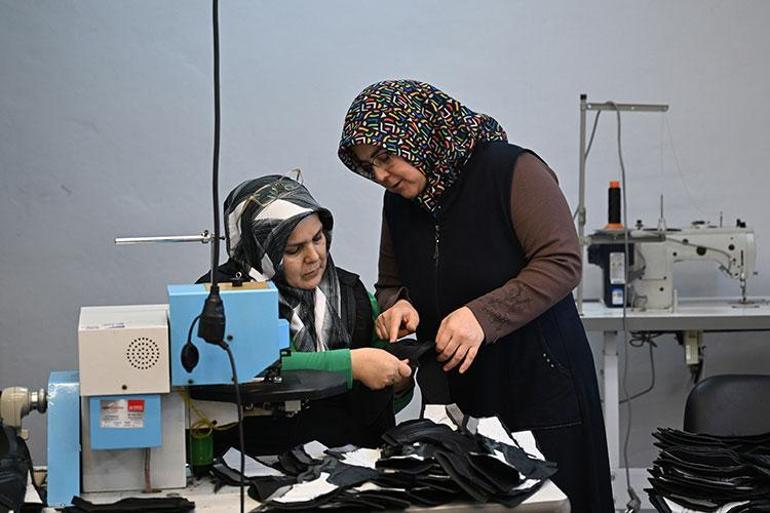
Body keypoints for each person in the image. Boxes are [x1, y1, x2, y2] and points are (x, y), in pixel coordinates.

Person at [337, 80, 613, 513]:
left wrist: (482, 316)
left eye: (385, 157)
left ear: (417, 132)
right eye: (368, 166)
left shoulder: (511, 171)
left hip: (537, 379)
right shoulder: (399, 202)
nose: (380, 175)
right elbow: (390, 282)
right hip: (462, 388)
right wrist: (397, 306)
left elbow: (562, 261)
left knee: (555, 501)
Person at [198, 173, 413, 454]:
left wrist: (399, 379)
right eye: (293, 249)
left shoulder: (353, 295)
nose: (313, 256)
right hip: (254, 473)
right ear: (259, 251)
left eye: (318, 238)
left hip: (354, 475)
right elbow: (243, 368)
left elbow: (384, 404)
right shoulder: (218, 301)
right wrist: (351, 365)